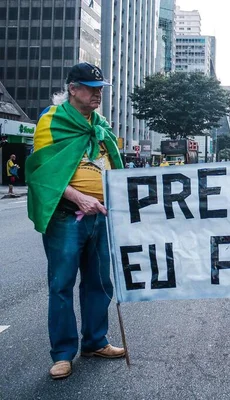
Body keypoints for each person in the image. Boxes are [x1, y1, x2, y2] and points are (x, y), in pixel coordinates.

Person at [25, 62, 126, 380]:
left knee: (100, 282)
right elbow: (44, 172)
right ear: (72, 89)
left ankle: (96, 341)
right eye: (91, 88)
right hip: (67, 216)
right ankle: (63, 354)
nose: (97, 94)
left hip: (101, 217)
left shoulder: (100, 123)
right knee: (61, 285)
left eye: (100, 89)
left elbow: (112, 159)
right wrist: (79, 197)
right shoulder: (51, 121)